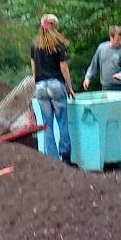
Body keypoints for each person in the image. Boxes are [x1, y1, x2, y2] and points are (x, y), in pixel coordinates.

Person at [30, 14, 76, 163]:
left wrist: (35, 84)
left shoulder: (34, 44)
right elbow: (63, 66)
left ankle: (52, 160)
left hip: (40, 87)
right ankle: (66, 158)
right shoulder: (58, 44)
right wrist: (69, 87)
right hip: (56, 85)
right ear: (54, 26)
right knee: (62, 121)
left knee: (47, 124)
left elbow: (33, 67)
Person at [83, 25, 121, 91]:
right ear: (111, 37)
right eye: (117, 40)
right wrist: (87, 78)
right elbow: (93, 65)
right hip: (106, 87)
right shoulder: (101, 48)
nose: (120, 42)